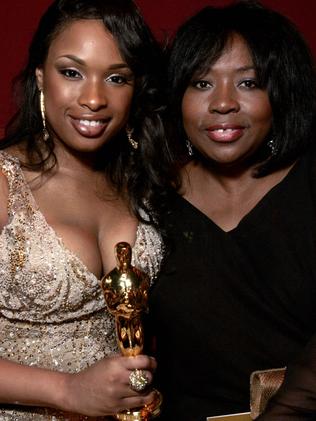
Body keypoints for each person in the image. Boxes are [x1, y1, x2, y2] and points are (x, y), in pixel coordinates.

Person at [147, 1, 316, 420]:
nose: (223, 103)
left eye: (248, 83)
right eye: (201, 84)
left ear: (281, 92)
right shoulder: (148, 202)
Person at [0, 0, 168, 419]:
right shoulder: (4, 183)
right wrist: (67, 390)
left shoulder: (143, 180)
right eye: (71, 72)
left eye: (116, 77)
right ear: (41, 77)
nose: (94, 98)